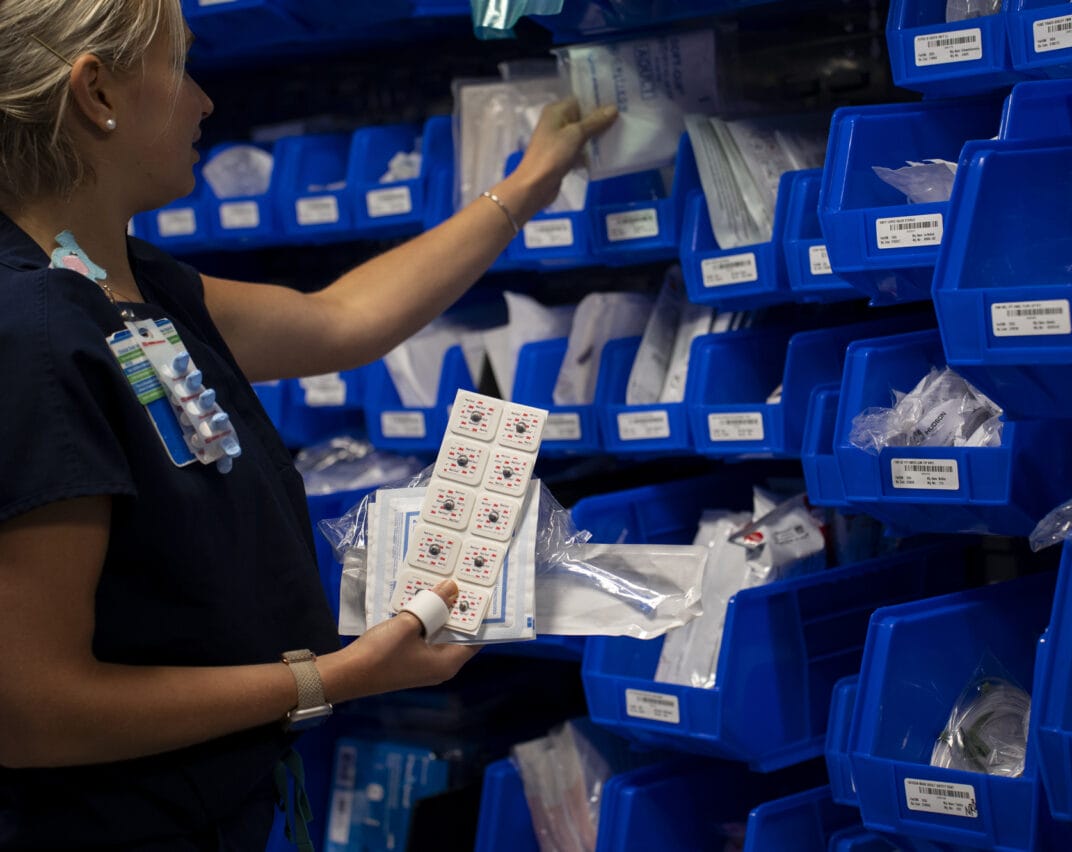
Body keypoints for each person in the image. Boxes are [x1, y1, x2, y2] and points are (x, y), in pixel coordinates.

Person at [0, 0, 617, 848]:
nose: (205, 100)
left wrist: (527, 185)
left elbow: (340, 319)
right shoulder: (29, 336)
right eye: (181, 65)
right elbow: (33, 712)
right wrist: (334, 678)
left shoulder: (126, 285)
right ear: (97, 92)